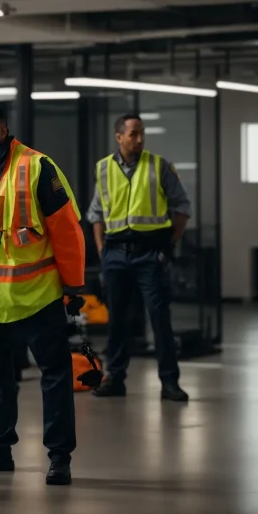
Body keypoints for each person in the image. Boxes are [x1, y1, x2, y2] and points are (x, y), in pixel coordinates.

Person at [0, 102, 85, 486]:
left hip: (36, 296)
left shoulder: (37, 167)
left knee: (54, 376)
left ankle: (59, 457)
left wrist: (73, 286)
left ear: (3, 129)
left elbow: (67, 229)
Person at [88, 114, 190, 402]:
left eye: (142, 133)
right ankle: (115, 378)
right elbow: (96, 213)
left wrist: (169, 245)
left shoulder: (159, 166)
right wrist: (102, 249)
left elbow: (182, 207)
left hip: (150, 255)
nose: (140, 139)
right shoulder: (104, 169)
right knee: (117, 321)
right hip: (115, 254)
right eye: (133, 134)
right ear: (119, 137)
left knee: (159, 319)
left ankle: (169, 382)